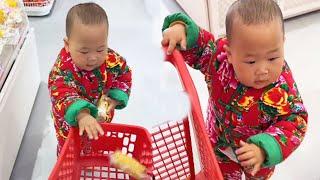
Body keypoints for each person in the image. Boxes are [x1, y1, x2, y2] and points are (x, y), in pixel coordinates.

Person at [161, 0, 308, 179]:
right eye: (251, 61)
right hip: (220, 142)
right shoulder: (219, 59)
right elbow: (201, 46)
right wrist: (181, 28)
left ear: (282, 44)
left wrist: (265, 148)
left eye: (273, 57)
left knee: (257, 175)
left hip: (257, 155)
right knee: (221, 174)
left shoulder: (283, 87)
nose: (263, 70)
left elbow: (296, 121)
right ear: (230, 54)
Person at [48, 2, 132, 155]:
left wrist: (115, 98)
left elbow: (123, 75)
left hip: (100, 115)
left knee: (95, 138)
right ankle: (69, 158)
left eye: (100, 49)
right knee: (70, 147)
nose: (93, 58)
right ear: (68, 44)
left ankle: (92, 152)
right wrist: (82, 114)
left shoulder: (112, 60)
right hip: (70, 122)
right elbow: (61, 93)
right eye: (84, 51)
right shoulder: (62, 69)